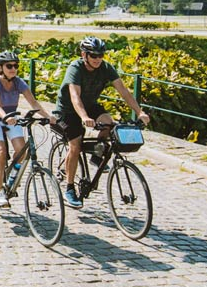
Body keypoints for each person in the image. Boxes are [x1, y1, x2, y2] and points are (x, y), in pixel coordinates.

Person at [52, 37, 149, 209]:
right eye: (93, 55)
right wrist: (83, 117)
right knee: (75, 144)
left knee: (109, 123)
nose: (97, 59)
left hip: (90, 106)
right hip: (67, 111)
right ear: (84, 55)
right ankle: (69, 188)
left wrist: (140, 112)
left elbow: (124, 92)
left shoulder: (105, 68)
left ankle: (96, 158)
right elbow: (75, 97)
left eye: (100, 55)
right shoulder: (75, 68)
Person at [0, 50, 56, 209]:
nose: (13, 69)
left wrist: (48, 117)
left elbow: (33, 102)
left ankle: (11, 176)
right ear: (0, 68)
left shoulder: (19, 82)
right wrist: (5, 117)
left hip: (11, 117)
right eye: (9, 66)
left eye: (16, 66)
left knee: (22, 150)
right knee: (0, 151)